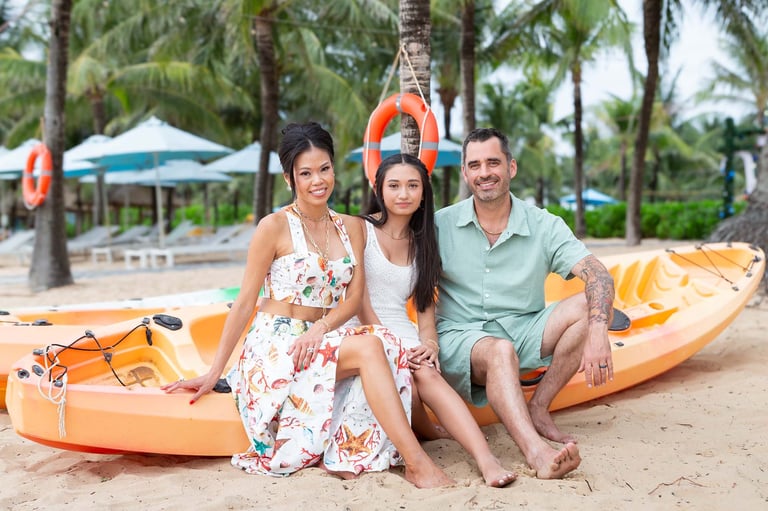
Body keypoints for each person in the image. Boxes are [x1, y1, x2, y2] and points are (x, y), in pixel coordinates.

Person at [162, 122, 452, 489]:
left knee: (383, 343)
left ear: (334, 168)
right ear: (289, 178)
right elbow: (244, 302)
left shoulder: (351, 227)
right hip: (277, 345)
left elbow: (351, 299)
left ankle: (353, 452)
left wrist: (320, 329)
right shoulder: (274, 226)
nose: (318, 180)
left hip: (322, 338)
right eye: (306, 173)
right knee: (370, 346)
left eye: (325, 169)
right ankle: (417, 463)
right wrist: (214, 371)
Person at [434, 127, 616, 479]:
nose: (484, 172)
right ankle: (536, 453)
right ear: (465, 173)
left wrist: (598, 329)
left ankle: (539, 407)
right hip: (459, 336)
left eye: (493, 162)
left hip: (525, 329)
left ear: (511, 168)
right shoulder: (439, 224)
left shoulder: (544, 224)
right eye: (474, 165)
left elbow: (599, 275)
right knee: (499, 350)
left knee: (588, 304)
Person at [349, 153, 517, 488]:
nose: (403, 194)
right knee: (409, 372)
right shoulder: (359, 228)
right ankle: (427, 430)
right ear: (379, 189)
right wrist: (388, 342)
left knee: (425, 370)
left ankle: (487, 460)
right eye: (394, 185)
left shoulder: (424, 243)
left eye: (413, 185)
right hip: (360, 327)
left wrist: (430, 345)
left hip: (400, 328)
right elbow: (358, 299)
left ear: (424, 193)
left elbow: (425, 312)